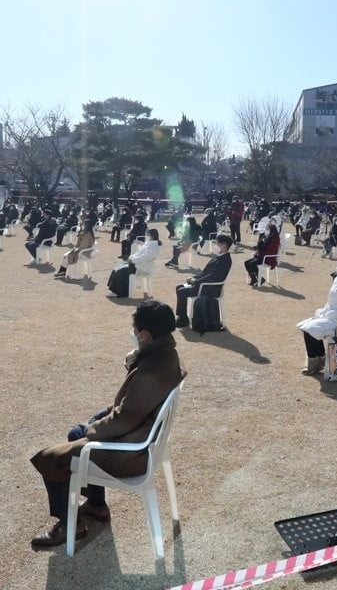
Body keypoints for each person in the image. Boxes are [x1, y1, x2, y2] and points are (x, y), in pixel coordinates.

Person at [29, 300, 185, 547]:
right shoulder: (166, 353)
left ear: (144, 334)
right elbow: (131, 408)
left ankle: (72, 526)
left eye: (134, 330)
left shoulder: (152, 368)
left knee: (53, 457)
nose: (132, 334)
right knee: (75, 433)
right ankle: (97, 505)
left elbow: (125, 417)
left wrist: (93, 428)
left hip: (132, 451)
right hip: (142, 436)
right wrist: (97, 421)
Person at [174, 234, 233, 328]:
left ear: (224, 245)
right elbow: (205, 272)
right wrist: (194, 277)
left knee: (182, 291)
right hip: (205, 284)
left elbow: (213, 277)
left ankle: (183, 320)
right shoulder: (220, 256)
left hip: (210, 288)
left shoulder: (225, 260)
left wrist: (195, 282)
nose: (215, 245)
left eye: (217, 243)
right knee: (179, 287)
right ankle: (182, 316)